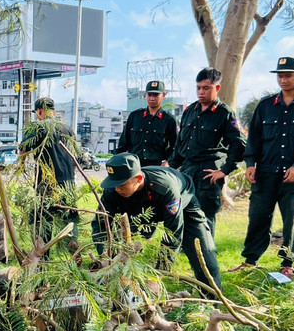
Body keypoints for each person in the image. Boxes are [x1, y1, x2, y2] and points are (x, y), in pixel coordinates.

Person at [232, 57, 294, 280]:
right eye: (279, 75)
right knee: (258, 217)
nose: (282, 79)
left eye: (288, 75)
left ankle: (288, 262)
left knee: (293, 219)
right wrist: (250, 163)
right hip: (265, 172)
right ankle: (250, 259)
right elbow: (253, 136)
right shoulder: (265, 105)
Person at [91, 153, 222, 288]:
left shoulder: (165, 188)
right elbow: (101, 224)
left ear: (138, 178)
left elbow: (173, 233)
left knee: (202, 254)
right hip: (140, 209)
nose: (117, 188)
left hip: (183, 204)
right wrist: (107, 257)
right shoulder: (114, 191)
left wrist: (158, 273)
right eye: (114, 184)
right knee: (119, 250)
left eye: (122, 184)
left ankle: (210, 302)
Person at [170, 68, 246, 235]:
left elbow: (239, 143)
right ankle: (187, 247)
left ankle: (206, 250)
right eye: (198, 88)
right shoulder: (190, 111)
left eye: (206, 88)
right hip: (188, 170)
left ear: (217, 88)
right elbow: (180, 143)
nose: (201, 92)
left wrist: (224, 170)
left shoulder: (225, 113)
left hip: (209, 171)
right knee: (184, 210)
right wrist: (171, 167)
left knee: (206, 214)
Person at [19, 97, 78, 247]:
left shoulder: (37, 128)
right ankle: (72, 244)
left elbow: (24, 149)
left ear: (39, 111)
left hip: (46, 182)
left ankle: (43, 254)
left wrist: (21, 165)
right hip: (68, 181)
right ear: (54, 111)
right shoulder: (67, 128)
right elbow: (75, 155)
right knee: (69, 217)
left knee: (43, 219)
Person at [116, 80, 178, 167]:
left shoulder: (169, 120)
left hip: (157, 168)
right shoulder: (134, 116)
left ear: (163, 95)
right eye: (149, 94)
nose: (152, 98)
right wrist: (116, 161)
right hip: (135, 166)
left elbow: (175, 147)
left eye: (156, 95)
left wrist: (168, 162)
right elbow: (123, 144)